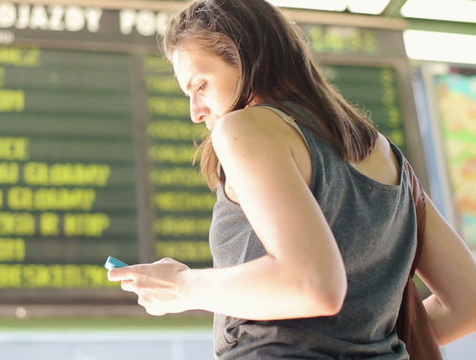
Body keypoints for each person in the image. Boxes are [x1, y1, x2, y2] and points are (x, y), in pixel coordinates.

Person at [108, 0, 476, 358]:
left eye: (201, 85)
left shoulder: (246, 126)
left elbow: (312, 285)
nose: (195, 111)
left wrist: (181, 287)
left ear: (246, 58)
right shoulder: (386, 154)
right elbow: (469, 303)